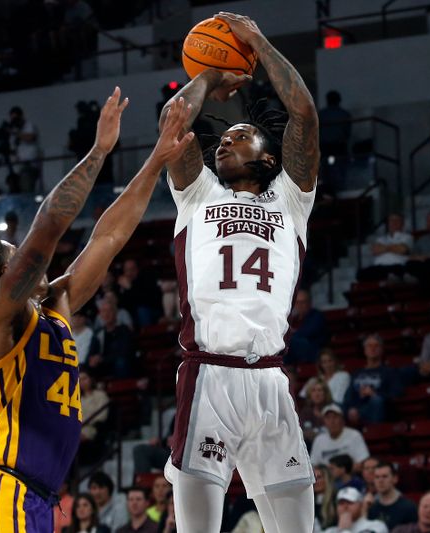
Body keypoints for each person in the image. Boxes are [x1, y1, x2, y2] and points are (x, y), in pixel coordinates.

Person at [0, 89, 195, 531]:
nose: (28, 257)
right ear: (3, 277)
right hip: (2, 492)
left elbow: (108, 238)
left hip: (34, 498)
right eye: (15, 256)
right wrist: (99, 151)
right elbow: (48, 228)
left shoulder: (54, 305)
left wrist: (156, 159)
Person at [160, 11, 319, 533]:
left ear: (270, 157)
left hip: (270, 380)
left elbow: (304, 114)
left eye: (242, 135)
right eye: (223, 139)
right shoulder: (198, 194)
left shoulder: (290, 199)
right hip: (209, 374)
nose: (225, 141)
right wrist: (211, 74)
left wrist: (256, 42)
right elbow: (174, 121)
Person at [344, 334, 402, 424]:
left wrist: (374, 394)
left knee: (376, 400)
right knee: (334, 406)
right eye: (369, 346)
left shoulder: (390, 372)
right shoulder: (356, 373)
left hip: (379, 409)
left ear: (381, 349)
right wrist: (352, 408)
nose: (373, 348)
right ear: (364, 350)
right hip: (358, 409)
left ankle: (374, 433)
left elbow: (396, 393)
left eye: (376, 346)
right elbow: (348, 397)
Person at [358, 213, 414, 282]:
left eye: (397, 220)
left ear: (402, 223)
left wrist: (384, 248)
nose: (394, 223)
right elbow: (375, 250)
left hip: (397, 265)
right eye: (391, 220)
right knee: (360, 273)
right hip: (379, 267)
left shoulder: (407, 237)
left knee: (398, 271)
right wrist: (394, 247)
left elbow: (402, 250)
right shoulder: (381, 239)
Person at [367, 462, 418, 530]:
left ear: (395, 479)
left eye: (385, 476)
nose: (380, 480)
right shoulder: (371, 508)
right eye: (377, 477)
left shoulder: (409, 508)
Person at [318, 90, 352, 192]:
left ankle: (327, 189)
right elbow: (347, 133)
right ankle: (340, 189)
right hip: (339, 147)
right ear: (338, 101)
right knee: (340, 169)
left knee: (326, 170)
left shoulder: (321, 115)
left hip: (324, 148)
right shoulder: (344, 114)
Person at [288, 289, 329, 364]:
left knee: (290, 341)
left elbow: (305, 333)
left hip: (314, 350)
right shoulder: (294, 319)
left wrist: (290, 334)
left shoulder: (316, 316)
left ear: (310, 302)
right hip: (295, 351)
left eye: (303, 302)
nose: (300, 305)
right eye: (297, 302)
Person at [314, 465, 338, 531]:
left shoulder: (337, 498)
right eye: (314, 478)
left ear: (327, 479)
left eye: (319, 477)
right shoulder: (309, 502)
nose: (315, 482)